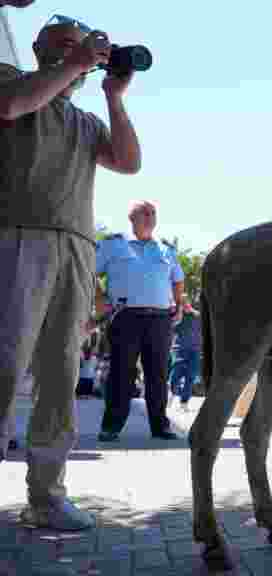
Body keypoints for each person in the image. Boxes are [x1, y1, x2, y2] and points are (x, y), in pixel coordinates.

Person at [0, 15, 141, 530]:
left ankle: (47, 497)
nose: (73, 53)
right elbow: (13, 105)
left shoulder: (85, 122)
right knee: (4, 363)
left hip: (76, 250)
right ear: (37, 49)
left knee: (60, 378)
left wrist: (114, 96)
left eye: (80, 49)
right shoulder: (8, 78)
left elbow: (128, 162)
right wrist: (77, 61)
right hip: (16, 236)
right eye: (60, 46)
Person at [95, 201, 183, 442]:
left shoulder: (165, 249)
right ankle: (111, 426)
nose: (150, 217)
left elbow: (177, 278)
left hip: (160, 319)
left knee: (159, 374)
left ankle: (160, 426)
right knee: (121, 372)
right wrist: (99, 297)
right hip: (125, 316)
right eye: (145, 213)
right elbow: (88, 271)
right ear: (131, 217)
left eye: (153, 213)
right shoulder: (113, 244)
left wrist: (178, 303)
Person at [169, 299, 201, 412]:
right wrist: (180, 314)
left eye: (186, 303)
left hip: (195, 351)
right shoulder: (177, 317)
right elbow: (172, 327)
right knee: (176, 375)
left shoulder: (196, 315)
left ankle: (184, 402)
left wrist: (191, 310)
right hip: (180, 350)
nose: (185, 305)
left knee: (190, 376)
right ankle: (171, 392)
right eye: (183, 304)